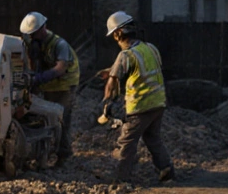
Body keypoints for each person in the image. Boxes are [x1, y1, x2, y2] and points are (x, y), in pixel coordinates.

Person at [97, 11, 175, 184]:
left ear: (117, 34)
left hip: (140, 106)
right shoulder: (150, 48)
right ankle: (166, 169)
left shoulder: (125, 55)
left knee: (127, 142)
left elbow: (112, 83)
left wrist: (106, 103)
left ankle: (121, 179)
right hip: (158, 103)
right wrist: (112, 69)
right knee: (153, 138)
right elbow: (143, 68)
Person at [19, 11, 80, 164]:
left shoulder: (60, 45)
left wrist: (39, 78)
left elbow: (60, 68)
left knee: (62, 119)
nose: (31, 37)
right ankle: (48, 149)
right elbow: (33, 62)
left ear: (42, 28)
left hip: (65, 86)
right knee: (46, 117)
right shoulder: (35, 43)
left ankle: (64, 155)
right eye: (29, 34)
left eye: (33, 33)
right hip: (49, 86)